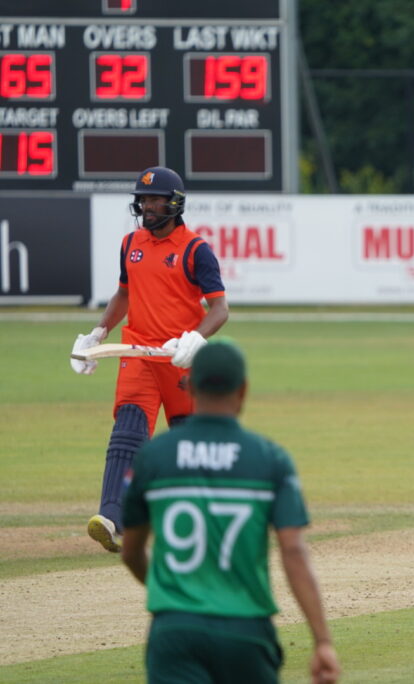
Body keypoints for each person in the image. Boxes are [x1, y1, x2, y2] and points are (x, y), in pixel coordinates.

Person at [120, 341, 341, 684]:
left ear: (190, 386)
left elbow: (131, 551)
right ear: (244, 390)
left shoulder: (153, 456)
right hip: (246, 631)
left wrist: (170, 591)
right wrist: (323, 641)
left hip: (174, 631)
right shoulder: (270, 459)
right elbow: (293, 550)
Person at [70, 166, 228, 553]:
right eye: (143, 199)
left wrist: (195, 338)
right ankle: (111, 515)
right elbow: (123, 294)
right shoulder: (131, 244)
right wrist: (99, 332)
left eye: (156, 199)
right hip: (137, 351)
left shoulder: (195, 249)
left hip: (178, 357)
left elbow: (220, 309)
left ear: (174, 203)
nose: (148, 206)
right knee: (128, 429)